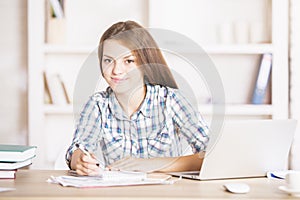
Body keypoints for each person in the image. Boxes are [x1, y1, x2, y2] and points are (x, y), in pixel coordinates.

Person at [66, 20, 209, 176]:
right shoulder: (98, 105)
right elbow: (78, 150)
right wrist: (80, 160)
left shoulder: (170, 99)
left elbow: (210, 154)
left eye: (128, 61)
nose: (116, 70)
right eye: (108, 60)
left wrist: (154, 164)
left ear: (145, 63)